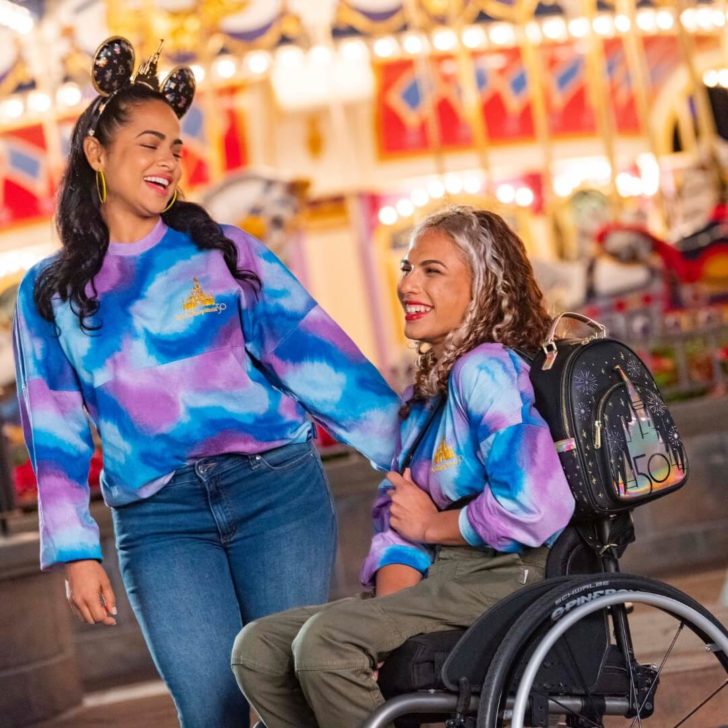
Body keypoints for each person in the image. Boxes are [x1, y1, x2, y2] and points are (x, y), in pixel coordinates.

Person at [12, 37, 400, 728]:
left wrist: (412, 461)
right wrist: (75, 552)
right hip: (159, 520)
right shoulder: (50, 290)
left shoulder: (223, 250)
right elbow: (56, 430)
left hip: (275, 490)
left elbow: (318, 359)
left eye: (177, 149)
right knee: (212, 709)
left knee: (294, 699)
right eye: (150, 144)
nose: (168, 161)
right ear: (96, 154)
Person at [232, 205, 577, 728]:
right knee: (257, 649)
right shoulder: (425, 396)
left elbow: (537, 504)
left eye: (432, 271)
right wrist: (383, 626)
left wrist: (433, 525)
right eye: (407, 269)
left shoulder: (486, 371)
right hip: (442, 577)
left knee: (323, 645)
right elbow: (395, 526)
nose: (408, 284)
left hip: (507, 576)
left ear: (481, 287)